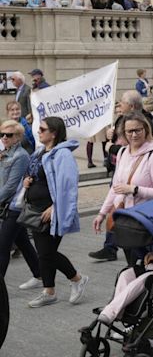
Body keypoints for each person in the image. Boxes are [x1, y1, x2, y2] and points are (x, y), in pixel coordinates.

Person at [15, 117, 88, 307]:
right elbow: (34, 174)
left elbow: (68, 186)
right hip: (35, 209)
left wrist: (56, 207)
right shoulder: (40, 152)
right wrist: (26, 182)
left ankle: (77, 279)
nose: (38, 132)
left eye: (42, 129)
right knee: (44, 253)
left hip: (51, 210)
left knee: (46, 253)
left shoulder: (62, 155)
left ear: (54, 133)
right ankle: (49, 291)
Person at [92, 112, 153, 264]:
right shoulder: (122, 152)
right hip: (125, 221)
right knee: (132, 265)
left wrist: (134, 189)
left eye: (138, 130)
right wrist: (102, 214)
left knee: (147, 266)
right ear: (124, 133)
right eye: (130, 131)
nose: (134, 135)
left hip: (145, 223)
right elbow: (115, 187)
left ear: (145, 130)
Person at [0, 120, 39, 284]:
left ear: (18, 137)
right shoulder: (6, 153)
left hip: (14, 206)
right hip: (7, 205)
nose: (4, 138)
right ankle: (40, 274)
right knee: (22, 241)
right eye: (1, 134)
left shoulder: (21, 156)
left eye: (8, 135)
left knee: (3, 245)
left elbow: (10, 186)